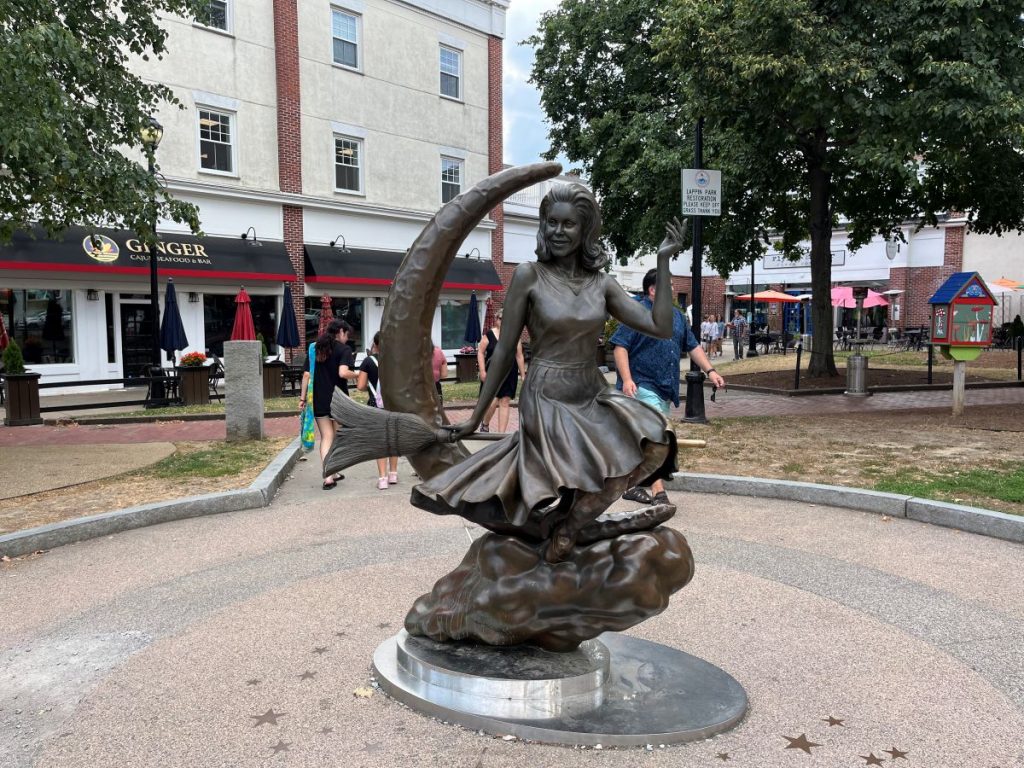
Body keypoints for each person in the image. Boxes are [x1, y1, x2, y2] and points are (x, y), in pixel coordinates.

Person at [413, 182, 692, 563]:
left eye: (569, 225)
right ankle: (562, 531)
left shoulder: (603, 284)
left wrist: (662, 263)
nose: (558, 232)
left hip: (592, 390)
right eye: (551, 223)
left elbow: (661, 327)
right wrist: (477, 415)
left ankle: (570, 527)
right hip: (547, 393)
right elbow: (504, 352)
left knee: (655, 441)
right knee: (575, 470)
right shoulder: (528, 276)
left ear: (585, 231)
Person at [612, 268, 726, 505]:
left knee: (645, 440)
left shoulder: (677, 316)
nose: (673, 289)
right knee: (658, 437)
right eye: (669, 286)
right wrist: (628, 379)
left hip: (665, 387)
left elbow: (692, 346)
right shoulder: (637, 312)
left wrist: (711, 371)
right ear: (652, 290)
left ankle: (632, 485)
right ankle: (658, 492)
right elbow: (620, 346)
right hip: (642, 384)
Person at [299, 319, 357, 490]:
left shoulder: (314, 349)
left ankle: (330, 475)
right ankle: (333, 471)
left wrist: (302, 399)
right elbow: (343, 373)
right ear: (340, 331)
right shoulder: (344, 349)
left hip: (319, 399)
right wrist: (359, 374)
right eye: (346, 334)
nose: (347, 338)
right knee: (337, 437)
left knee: (326, 437)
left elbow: (306, 376)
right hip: (339, 401)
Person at [358, 332, 400, 490]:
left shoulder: (368, 362)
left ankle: (383, 478)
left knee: (380, 442)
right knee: (394, 439)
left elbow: (361, 386)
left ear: (374, 344)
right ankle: (393, 474)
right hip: (394, 406)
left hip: (375, 406)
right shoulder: (396, 361)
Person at [476, 308, 527, 433]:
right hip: (492, 372)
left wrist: (523, 374)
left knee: (505, 401)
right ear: (496, 320)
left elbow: (519, 355)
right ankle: (485, 423)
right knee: (492, 401)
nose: (503, 322)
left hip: (510, 372)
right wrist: (482, 371)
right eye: (500, 319)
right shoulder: (489, 335)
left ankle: (500, 435)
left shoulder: (514, 336)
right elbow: (481, 352)